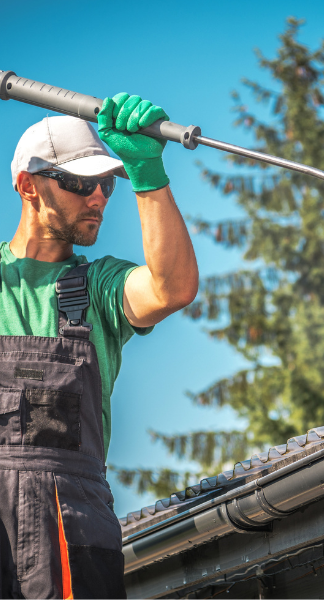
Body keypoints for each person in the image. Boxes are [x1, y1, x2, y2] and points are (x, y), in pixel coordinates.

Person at [0, 93, 198, 598]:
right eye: (80, 183)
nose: (99, 198)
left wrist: (147, 173)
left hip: (73, 526)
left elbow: (170, 289)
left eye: (107, 184)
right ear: (27, 186)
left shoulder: (99, 286)